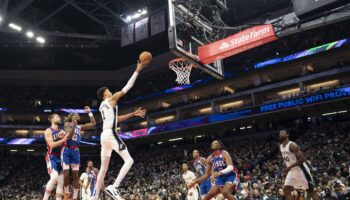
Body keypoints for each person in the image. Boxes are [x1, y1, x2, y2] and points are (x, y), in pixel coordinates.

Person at [93, 59, 148, 200]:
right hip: (111, 134)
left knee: (103, 169)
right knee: (129, 161)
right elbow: (127, 88)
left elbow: (116, 119)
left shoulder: (102, 106)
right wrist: (138, 70)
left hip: (103, 136)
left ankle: (94, 197)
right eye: (109, 91)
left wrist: (133, 114)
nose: (111, 92)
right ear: (105, 94)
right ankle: (114, 187)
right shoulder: (111, 100)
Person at [62, 106, 96, 200]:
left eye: (78, 115)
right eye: (75, 115)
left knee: (76, 175)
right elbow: (70, 135)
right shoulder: (67, 124)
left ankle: (75, 196)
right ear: (71, 117)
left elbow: (93, 123)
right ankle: (67, 192)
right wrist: (74, 125)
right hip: (67, 150)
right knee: (66, 174)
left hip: (75, 151)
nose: (77, 116)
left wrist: (90, 113)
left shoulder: (79, 127)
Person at [279, 129, 319, 200]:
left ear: (287, 135)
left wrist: (288, 168)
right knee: (286, 190)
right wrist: (286, 168)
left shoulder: (292, 145)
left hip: (301, 169)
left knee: (310, 191)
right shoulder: (281, 146)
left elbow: (302, 159)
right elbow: (288, 159)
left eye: (283, 132)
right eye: (280, 133)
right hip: (291, 171)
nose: (281, 134)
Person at [43, 114, 70, 200]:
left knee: (61, 183)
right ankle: (45, 198)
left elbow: (69, 136)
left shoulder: (62, 131)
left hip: (61, 158)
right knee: (54, 177)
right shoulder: (48, 131)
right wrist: (63, 139)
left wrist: (70, 123)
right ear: (51, 119)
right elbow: (51, 145)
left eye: (59, 117)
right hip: (52, 157)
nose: (59, 118)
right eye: (57, 117)